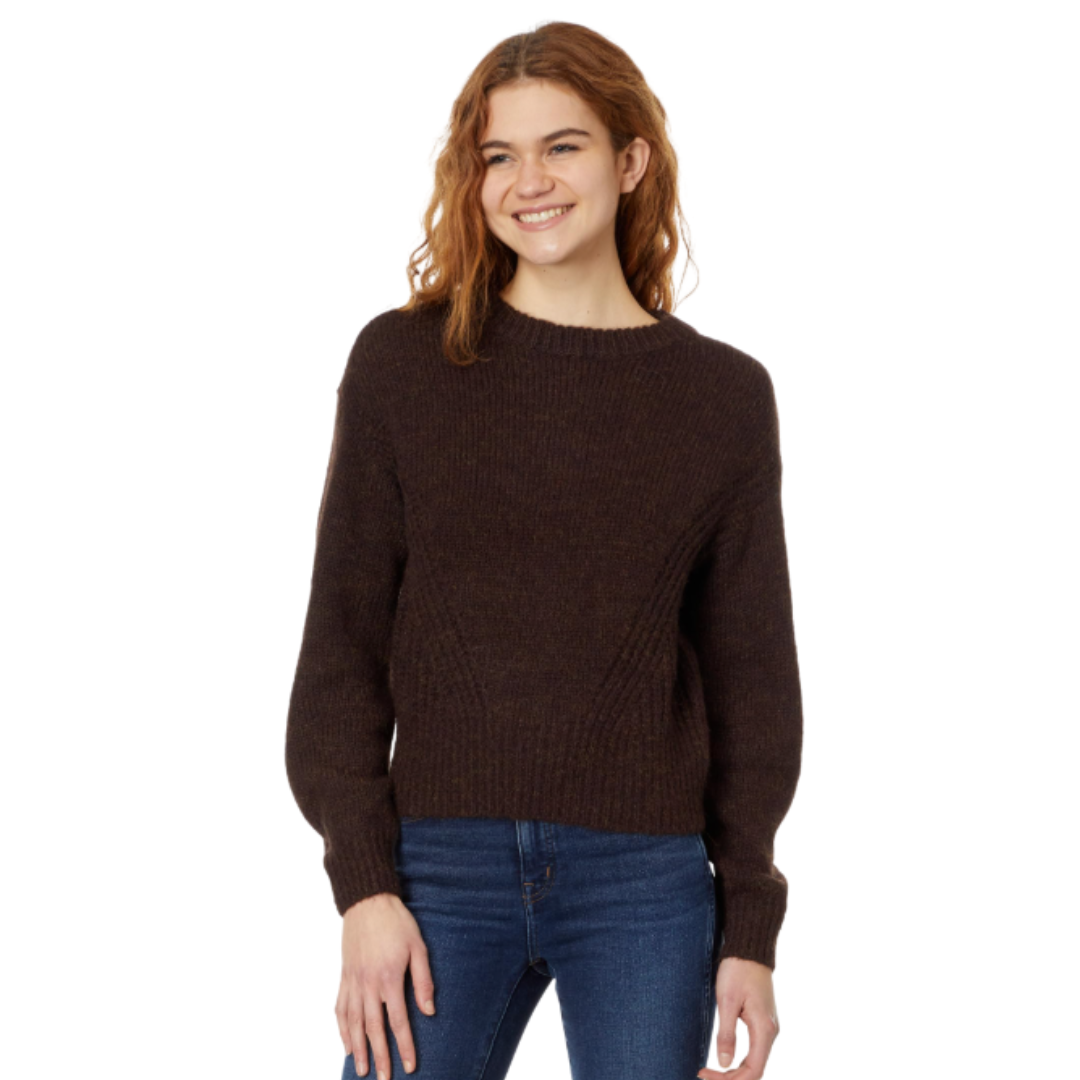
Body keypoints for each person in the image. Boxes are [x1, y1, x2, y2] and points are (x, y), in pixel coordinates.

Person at [285, 20, 803, 1080]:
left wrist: (749, 924)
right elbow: (341, 652)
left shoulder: (722, 398)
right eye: (498, 155)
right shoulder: (402, 367)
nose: (529, 181)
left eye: (562, 146)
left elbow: (753, 682)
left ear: (630, 160)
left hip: (645, 882)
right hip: (437, 872)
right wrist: (364, 888)